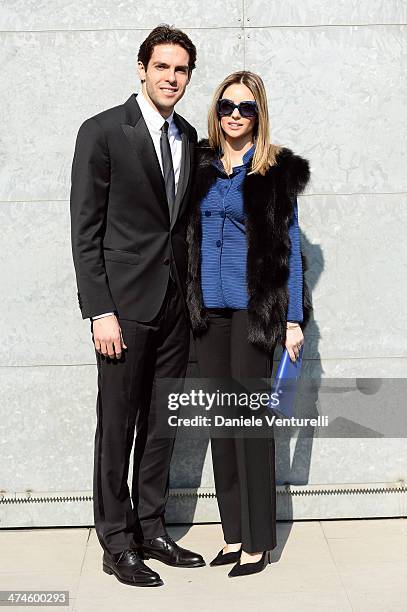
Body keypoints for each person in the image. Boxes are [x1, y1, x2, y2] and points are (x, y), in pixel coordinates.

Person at [70, 24, 205, 588]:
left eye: (181, 70)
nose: (172, 78)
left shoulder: (188, 134)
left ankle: (152, 528)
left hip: (175, 305)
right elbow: (86, 230)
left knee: (161, 425)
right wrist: (99, 310)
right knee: (118, 424)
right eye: (163, 67)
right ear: (142, 69)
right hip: (123, 309)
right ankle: (116, 539)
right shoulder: (103, 132)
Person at [186, 71, 312, 577]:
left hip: (252, 314)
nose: (235, 116)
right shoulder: (200, 165)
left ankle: (259, 542)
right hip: (208, 313)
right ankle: (233, 533)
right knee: (222, 426)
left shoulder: (275, 172)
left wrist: (294, 319)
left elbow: (292, 247)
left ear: (259, 114)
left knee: (252, 428)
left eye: (246, 108)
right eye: (226, 107)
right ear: (216, 112)